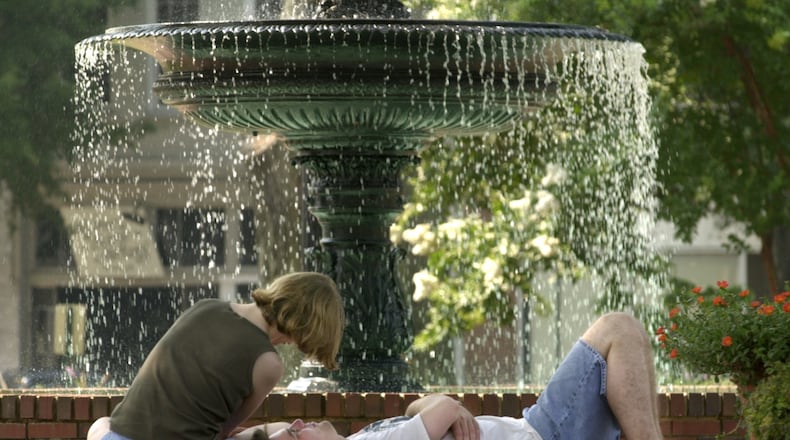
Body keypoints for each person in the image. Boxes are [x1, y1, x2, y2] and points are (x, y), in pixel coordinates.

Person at [230, 312, 663, 440]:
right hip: (541, 432)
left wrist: (432, 406)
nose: (299, 422)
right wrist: (441, 407)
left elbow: (422, 410)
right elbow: (439, 413)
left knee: (629, 341)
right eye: (294, 435)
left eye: (289, 424)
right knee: (617, 330)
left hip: (538, 427)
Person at [87, 272, 345, 440]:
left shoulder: (205, 307)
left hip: (116, 436)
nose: (294, 344)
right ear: (302, 324)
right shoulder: (268, 364)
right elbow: (223, 431)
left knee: (102, 423)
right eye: (303, 339)